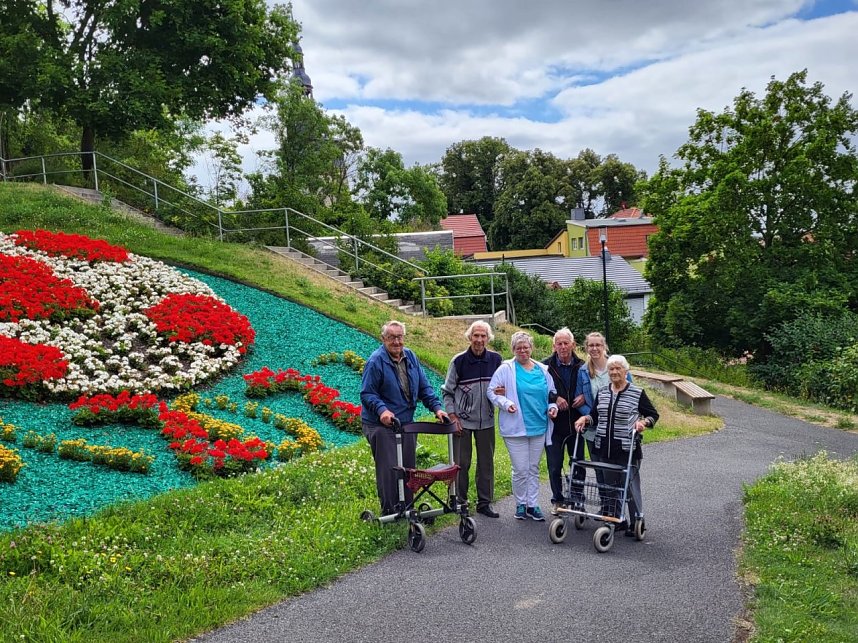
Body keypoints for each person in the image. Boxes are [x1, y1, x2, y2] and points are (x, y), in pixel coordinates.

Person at [360, 320, 449, 515]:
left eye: (399, 337)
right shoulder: (376, 361)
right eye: (391, 337)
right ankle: (391, 511)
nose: (396, 342)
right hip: (380, 424)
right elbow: (367, 393)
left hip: (405, 422)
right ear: (383, 339)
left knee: (408, 467)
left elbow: (424, 387)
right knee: (390, 468)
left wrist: (437, 408)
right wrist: (382, 410)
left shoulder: (410, 357)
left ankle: (408, 509)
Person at [574, 354, 658, 535]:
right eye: (611, 369)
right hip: (604, 446)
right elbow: (594, 416)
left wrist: (643, 423)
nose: (614, 372)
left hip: (627, 448)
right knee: (610, 487)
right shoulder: (603, 392)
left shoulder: (637, 393)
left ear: (626, 371)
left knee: (630, 487)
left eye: (618, 368)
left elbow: (653, 415)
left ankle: (637, 520)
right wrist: (585, 418)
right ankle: (615, 519)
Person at [487, 331, 558, 521]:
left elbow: (552, 393)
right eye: (519, 348)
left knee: (533, 468)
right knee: (520, 469)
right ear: (513, 350)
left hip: (539, 425)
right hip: (515, 427)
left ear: (531, 348)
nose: (523, 351)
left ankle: (533, 505)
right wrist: (505, 403)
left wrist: (552, 407)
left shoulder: (542, 369)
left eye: (526, 347)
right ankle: (521, 504)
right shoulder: (506, 369)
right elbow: (492, 392)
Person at [442, 320, 503, 518]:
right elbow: (447, 392)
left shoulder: (496, 360)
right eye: (475, 336)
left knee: (486, 463)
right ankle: (460, 502)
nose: (479, 340)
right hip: (462, 422)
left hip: (486, 421)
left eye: (483, 336)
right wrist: (452, 417)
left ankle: (484, 503)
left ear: (488, 338)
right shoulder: (458, 361)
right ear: (469, 337)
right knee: (461, 463)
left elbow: (503, 386)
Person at [542, 328, 585, 515]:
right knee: (554, 465)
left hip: (577, 423)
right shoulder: (544, 367)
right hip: (554, 425)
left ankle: (576, 498)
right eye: (559, 343)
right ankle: (558, 500)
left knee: (578, 463)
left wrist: (584, 395)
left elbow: (590, 387)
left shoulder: (583, 366)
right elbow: (539, 390)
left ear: (573, 345)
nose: (563, 347)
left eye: (566, 343)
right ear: (554, 346)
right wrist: (555, 397)